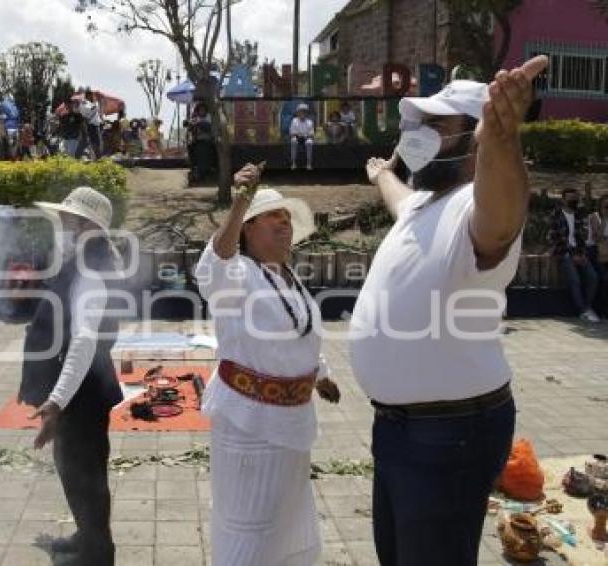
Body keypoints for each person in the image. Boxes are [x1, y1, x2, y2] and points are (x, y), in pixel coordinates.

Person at [356, 56, 549, 565]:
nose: (417, 135)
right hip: (399, 430)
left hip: (449, 436)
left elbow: (502, 214)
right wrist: (381, 174)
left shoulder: (475, 207)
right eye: (416, 125)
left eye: (435, 124)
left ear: (474, 138)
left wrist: (503, 142)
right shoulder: (423, 204)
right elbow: (397, 197)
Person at [194, 163, 340, 566]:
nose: (282, 223)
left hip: (293, 422)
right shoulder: (236, 274)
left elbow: (301, 336)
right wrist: (241, 199)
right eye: (270, 217)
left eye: (286, 217)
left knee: (285, 517)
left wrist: (321, 375)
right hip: (248, 424)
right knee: (250, 523)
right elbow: (215, 261)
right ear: (246, 229)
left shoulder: (288, 276)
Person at [21, 187, 123, 566]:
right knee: (73, 469)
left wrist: (56, 401)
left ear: (87, 228)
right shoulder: (81, 261)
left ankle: (97, 555)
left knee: (86, 477)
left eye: (68, 220)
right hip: (77, 388)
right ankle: (86, 536)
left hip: (82, 391)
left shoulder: (91, 272)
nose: (61, 226)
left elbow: (84, 342)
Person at [550, 188, 600, 322]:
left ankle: (587, 307)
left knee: (593, 277)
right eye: (571, 198)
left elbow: (582, 237)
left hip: (578, 253)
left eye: (576, 198)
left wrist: (582, 254)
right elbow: (557, 238)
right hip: (563, 253)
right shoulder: (556, 214)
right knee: (575, 280)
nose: (574, 201)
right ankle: (582, 310)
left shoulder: (579, 215)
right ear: (563, 200)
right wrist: (572, 255)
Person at [187, 102, 216, 182]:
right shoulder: (195, 118)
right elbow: (190, 127)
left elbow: (210, 128)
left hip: (208, 141)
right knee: (190, 148)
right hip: (197, 141)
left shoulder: (209, 117)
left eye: (203, 110)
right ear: (197, 110)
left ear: (206, 110)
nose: (201, 111)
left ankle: (206, 170)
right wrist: (191, 125)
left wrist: (201, 125)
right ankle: (194, 168)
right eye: (200, 110)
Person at [290, 103, 315, 170]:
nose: (302, 113)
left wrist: (306, 136)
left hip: (306, 138)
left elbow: (311, 134)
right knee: (293, 141)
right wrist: (298, 135)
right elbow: (292, 132)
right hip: (297, 138)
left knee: (309, 142)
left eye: (304, 111)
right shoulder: (294, 120)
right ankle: (293, 162)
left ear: (307, 113)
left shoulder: (310, 122)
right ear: (298, 112)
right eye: (301, 111)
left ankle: (309, 163)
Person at [81, 89, 103, 158]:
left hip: (96, 125)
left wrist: (99, 103)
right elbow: (91, 111)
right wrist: (98, 102)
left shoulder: (92, 103)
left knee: (97, 142)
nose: (93, 97)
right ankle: (96, 157)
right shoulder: (85, 103)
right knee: (94, 142)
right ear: (88, 96)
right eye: (91, 95)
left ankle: (97, 157)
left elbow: (98, 112)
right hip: (91, 125)